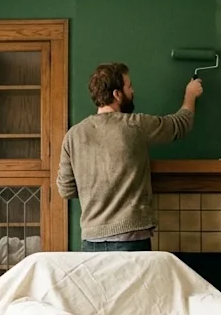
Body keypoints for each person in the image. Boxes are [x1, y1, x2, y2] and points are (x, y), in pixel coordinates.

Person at [57, 63, 203, 251]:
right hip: (131, 237)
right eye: (129, 86)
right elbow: (180, 125)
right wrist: (190, 95)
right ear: (117, 94)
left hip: (91, 241)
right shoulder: (135, 125)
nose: (133, 91)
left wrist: (96, 189)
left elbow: (66, 190)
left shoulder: (73, 135)